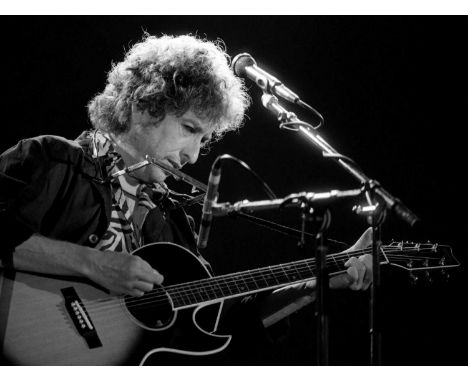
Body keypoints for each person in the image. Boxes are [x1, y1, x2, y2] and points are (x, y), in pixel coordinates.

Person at [0, 33, 372, 365]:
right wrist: (93, 264)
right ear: (144, 105)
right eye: (190, 129)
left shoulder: (171, 221)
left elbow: (221, 322)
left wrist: (316, 283)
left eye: (204, 140)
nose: (194, 156)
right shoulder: (52, 159)